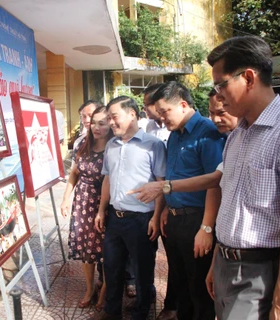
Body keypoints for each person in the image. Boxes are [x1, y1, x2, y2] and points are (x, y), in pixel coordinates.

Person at [204, 35, 280, 320]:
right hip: (227, 265)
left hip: (261, 273)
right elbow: (232, 203)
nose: (217, 95)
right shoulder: (238, 134)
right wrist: (217, 262)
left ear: (248, 77)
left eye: (221, 84)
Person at [152, 81, 224, 320]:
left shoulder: (208, 133)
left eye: (165, 112)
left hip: (197, 220)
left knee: (199, 288)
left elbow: (215, 183)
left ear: (183, 105)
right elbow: (173, 175)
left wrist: (206, 227)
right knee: (180, 281)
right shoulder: (174, 135)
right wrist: (166, 209)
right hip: (174, 221)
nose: (162, 119)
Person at [93, 96, 166, 320]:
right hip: (115, 218)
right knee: (112, 268)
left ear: (132, 114)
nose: (111, 123)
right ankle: (111, 311)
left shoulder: (153, 145)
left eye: (114, 117)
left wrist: (155, 217)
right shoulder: (111, 146)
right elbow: (107, 180)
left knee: (142, 271)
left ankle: (141, 313)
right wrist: (101, 210)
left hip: (141, 220)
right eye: (109, 119)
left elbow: (162, 183)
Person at [60, 106, 114, 311]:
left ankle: (105, 291)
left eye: (102, 123)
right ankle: (90, 289)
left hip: (105, 203)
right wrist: (66, 198)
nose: (96, 127)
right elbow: (74, 173)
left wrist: (102, 208)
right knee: (86, 249)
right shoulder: (82, 143)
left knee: (108, 250)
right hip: (83, 202)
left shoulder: (114, 145)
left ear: (110, 123)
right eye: (93, 123)